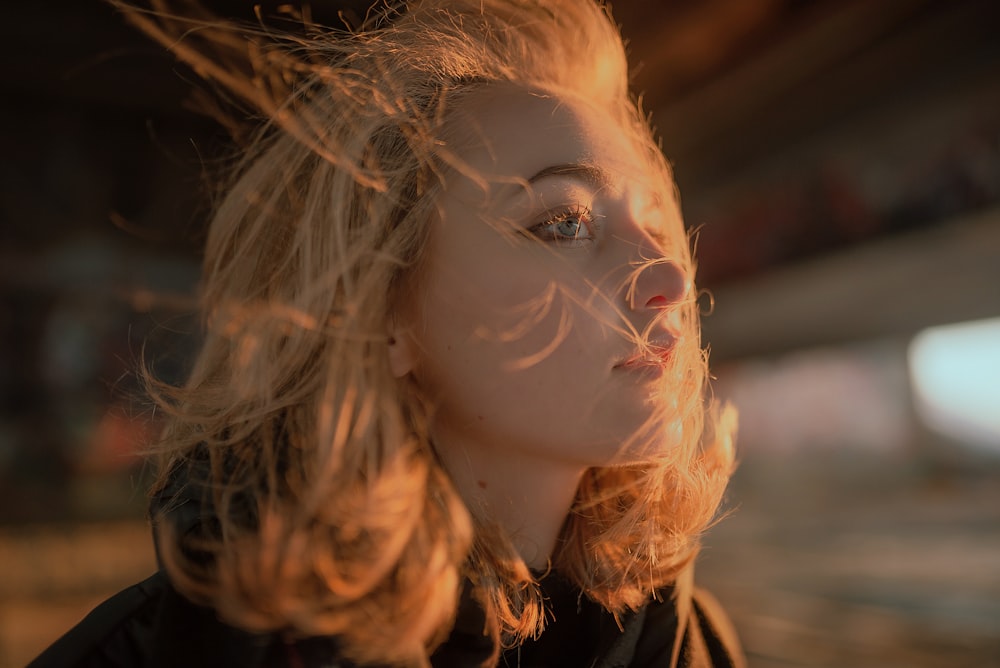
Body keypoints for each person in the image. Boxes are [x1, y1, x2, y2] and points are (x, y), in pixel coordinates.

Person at [31, 0, 742, 666]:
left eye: (655, 225)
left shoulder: (684, 642)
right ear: (384, 314)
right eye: (564, 223)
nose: (669, 282)